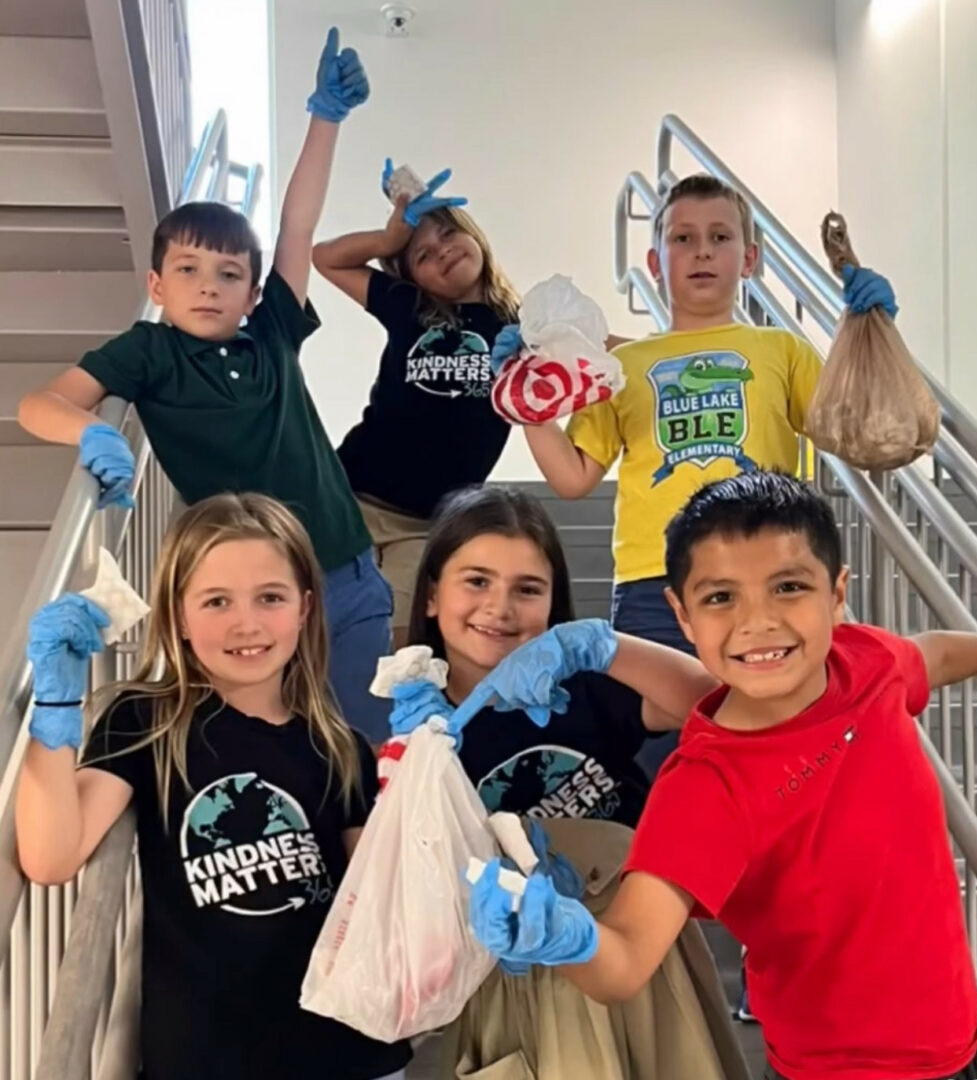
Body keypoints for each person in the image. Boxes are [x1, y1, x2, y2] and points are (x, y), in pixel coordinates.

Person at [462, 470, 977, 1080]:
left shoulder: (865, 661)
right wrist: (562, 935)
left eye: (788, 587)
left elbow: (934, 653)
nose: (757, 621)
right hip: (831, 1070)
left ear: (836, 595)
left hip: (957, 1041)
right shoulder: (704, 787)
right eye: (720, 597)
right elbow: (626, 958)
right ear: (682, 616)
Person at [15, 30, 393, 741]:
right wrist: (91, 432)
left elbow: (298, 225)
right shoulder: (150, 351)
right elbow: (39, 404)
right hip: (249, 598)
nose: (208, 286)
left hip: (344, 576)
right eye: (187, 270)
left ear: (253, 293)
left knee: (369, 752)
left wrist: (325, 119)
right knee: (272, 750)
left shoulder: (273, 334)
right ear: (156, 285)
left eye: (228, 274)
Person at [15, 493, 412, 1080]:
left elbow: (380, 901)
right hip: (206, 1058)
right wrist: (54, 707)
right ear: (178, 615)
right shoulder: (146, 720)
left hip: (348, 1055)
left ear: (305, 608)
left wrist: (418, 786)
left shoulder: (340, 746)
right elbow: (51, 857)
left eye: (270, 597)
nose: (246, 623)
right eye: (216, 601)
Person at [509, 173, 895, 660]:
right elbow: (572, 477)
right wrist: (526, 400)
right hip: (654, 581)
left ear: (749, 259)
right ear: (655, 263)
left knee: (769, 706)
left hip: (766, 566)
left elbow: (853, 431)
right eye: (683, 239)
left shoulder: (783, 349)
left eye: (720, 237)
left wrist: (872, 333)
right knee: (665, 711)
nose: (703, 252)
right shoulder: (621, 366)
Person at [404, 485, 717, 826]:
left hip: (630, 857)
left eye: (527, 589)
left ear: (553, 600)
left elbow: (714, 702)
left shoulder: (583, 685)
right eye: (478, 581)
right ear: (432, 596)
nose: (500, 608)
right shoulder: (419, 721)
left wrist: (603, 646)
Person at [311, 174, 522, 647]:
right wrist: (389, 239)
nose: (442, 251)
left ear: (474, 235)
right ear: (412, 277)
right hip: (351, 499)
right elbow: (325, 257)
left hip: (428, 522)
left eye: (448, 234)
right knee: (319, 627)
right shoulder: (410, 307)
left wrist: (668, 350)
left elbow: (591, 345)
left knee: (402, 644)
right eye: (423, 255)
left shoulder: (521, 325)